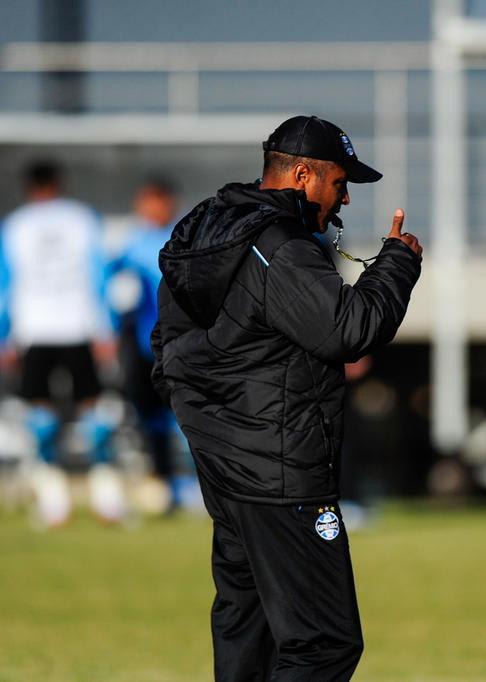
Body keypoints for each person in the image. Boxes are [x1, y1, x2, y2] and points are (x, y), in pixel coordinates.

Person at [151, 115, 422, 681]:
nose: (343, 200)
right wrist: (396, 262)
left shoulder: (204, 231)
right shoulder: (280, 246)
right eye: (340, 183)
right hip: (281, 473)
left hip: (228, 472)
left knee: (249, 638)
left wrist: (207, 427)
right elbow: (350, 331)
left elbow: (168, 346)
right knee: (322, 643)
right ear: (302, 175)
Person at [0, 161, 122, 527]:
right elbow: (99, 276)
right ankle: (107, 498)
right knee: (95, 411)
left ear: (29, 187)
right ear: (60, 182)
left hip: (33, 329)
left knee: (39, 416)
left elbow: (6, 285)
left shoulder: (15, 225)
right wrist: (106, 329)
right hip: (79, 326)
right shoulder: (82, 219)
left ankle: (54, 503)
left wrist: (6, 336)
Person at [108, 177, 196, 512]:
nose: (152, 208)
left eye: (158, 201)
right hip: (143, 345)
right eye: (147, 201)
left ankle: (195, 485)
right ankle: (165, 483)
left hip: (183, 343)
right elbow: (113, 288)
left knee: (187, 416)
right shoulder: (131, 244)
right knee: (150, 417)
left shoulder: (185, 238)